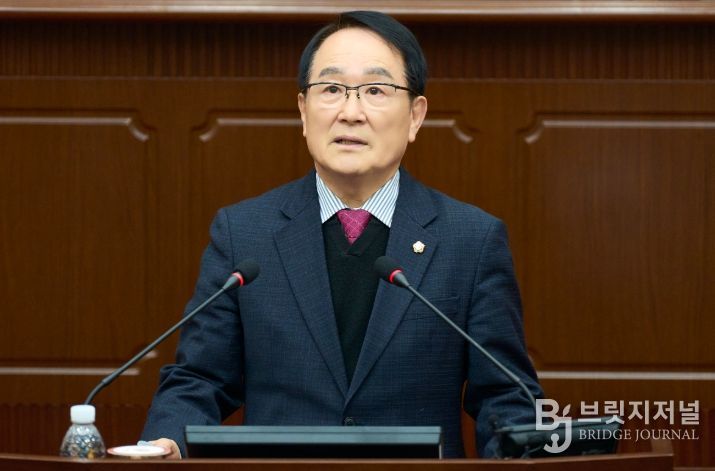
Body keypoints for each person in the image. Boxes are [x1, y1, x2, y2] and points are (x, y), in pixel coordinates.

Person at [141, 10, 542, 459]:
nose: (351, 113)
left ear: (415, 116)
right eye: (331, 89)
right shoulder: (244, 233)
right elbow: (199, 378)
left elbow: (505, 396)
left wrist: (519, 454)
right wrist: (167, 441)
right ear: (303, 111)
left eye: (375, 90)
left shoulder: (470, 240)